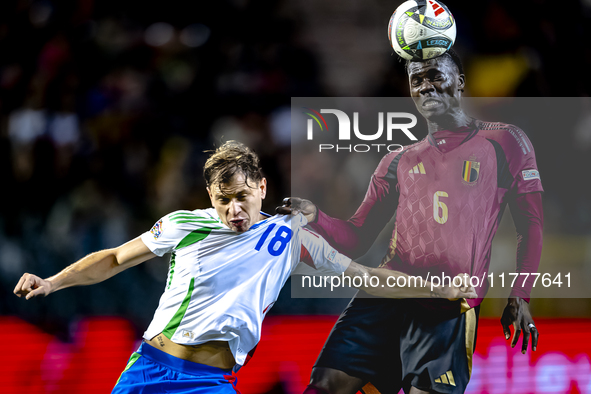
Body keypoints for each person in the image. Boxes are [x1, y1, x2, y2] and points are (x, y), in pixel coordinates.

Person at [13, 140, 475, 393]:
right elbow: (113, 258)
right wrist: (51, 282)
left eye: (242, 196)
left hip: (211, 382)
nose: (234, 209)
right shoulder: (184, 225)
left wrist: (434, 289)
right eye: (222, 200)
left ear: (261, 186)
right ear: (210, 198)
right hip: (149, 371)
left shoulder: (290, 237)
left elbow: (367, 278)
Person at [279, 49, 544, 394]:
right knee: (324, 386)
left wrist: (520, 295)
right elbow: (357, 238)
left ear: (460, 83)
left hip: (448, 305)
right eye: (417, 80)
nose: (426, 87)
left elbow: (531, 224)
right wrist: (318, 218)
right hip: (385, 295)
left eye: (436, 76)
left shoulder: (505, 140)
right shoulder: (396, 161)